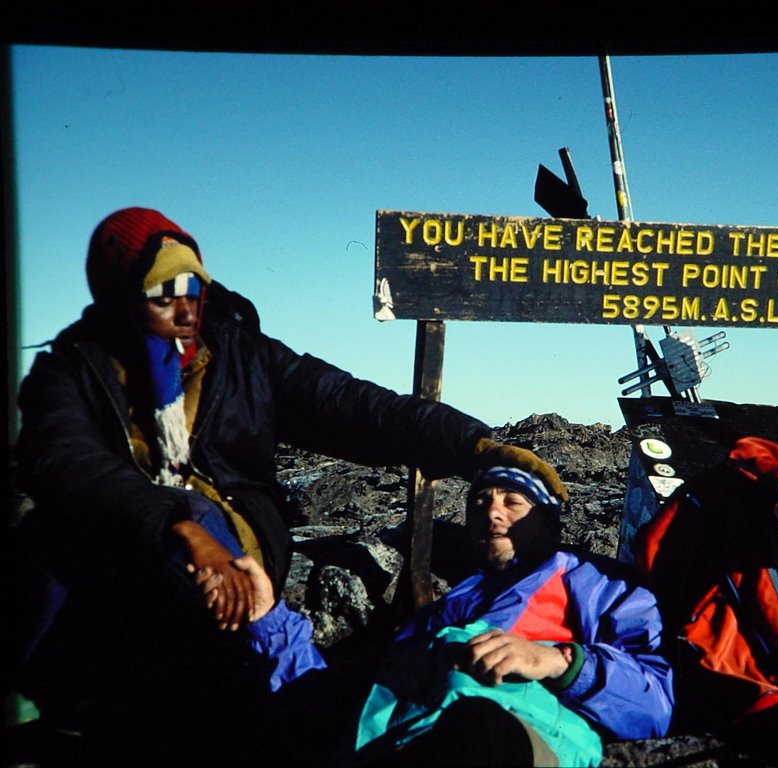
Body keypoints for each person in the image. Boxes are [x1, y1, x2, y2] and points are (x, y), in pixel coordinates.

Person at [6, 206, 557, 765]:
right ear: (120, 296)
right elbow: (62, 457)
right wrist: (171, 523)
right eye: (162, 291)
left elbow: (355, 407)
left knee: (193, 560)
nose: (186, 307)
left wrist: (474, 446)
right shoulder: (71, 369)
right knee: (45, 541)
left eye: (194, 286)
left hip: (232, 538)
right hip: (137, 528)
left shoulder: (241, 354)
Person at [346, 462, 676, 767]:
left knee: (478, 730)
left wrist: (558, 662)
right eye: (479, 502)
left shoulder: (602, 584)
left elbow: (654, 708)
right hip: (404, 735)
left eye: (513, 502)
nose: (492, 512)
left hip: (515, 731)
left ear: (548, 521)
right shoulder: (454, 601)